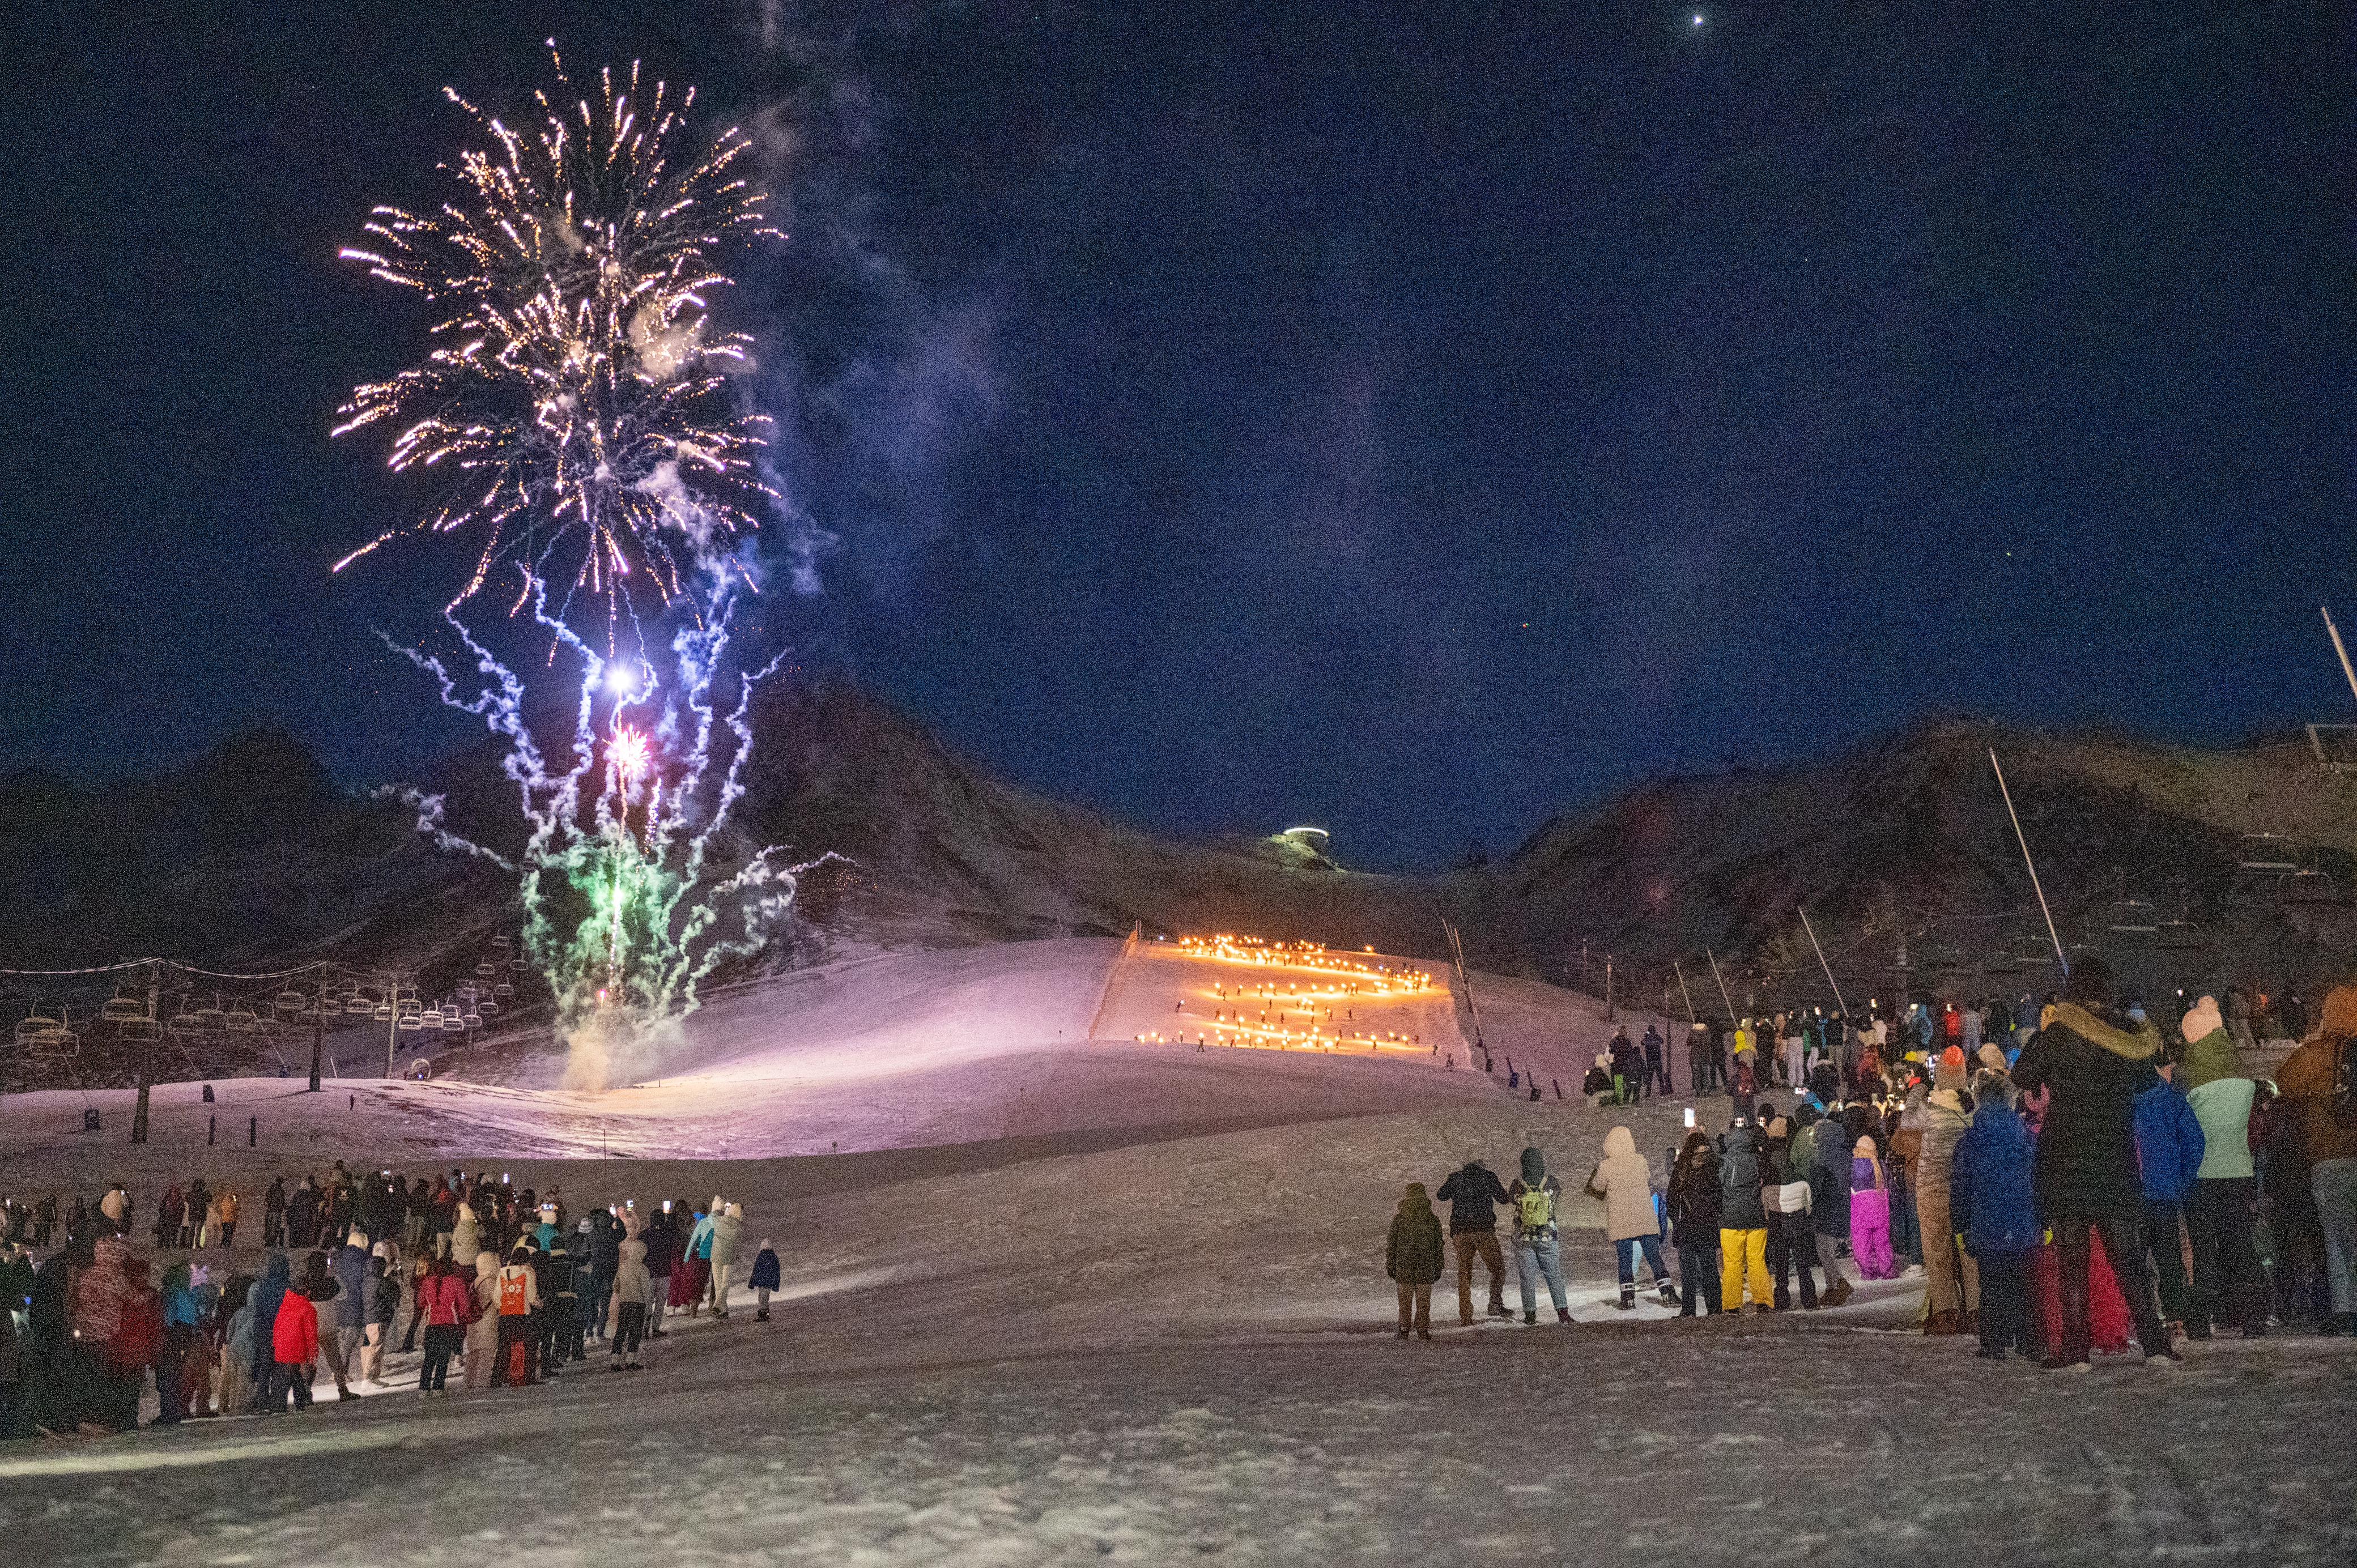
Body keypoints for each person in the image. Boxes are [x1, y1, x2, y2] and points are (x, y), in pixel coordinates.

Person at [2009, 958, 2179, 1368]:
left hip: (2065, 1162)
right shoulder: (2122, 1037)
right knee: (2129, 1261)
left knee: (2072, 1263)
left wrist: (2047, 1034)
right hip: (2115, 1161)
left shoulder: (2060, 1034)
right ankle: (2155, 1345)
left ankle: (2075, 1350)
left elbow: (2021, 1074)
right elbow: (2148, 1080)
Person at [2274, 985, 2357, 1333]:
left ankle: (2345, 1310)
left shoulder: (2313, 1054)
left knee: (2336, 1238)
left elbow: (2282, 1085)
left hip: (2327, 1157)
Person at [2179, 1000, 2264, 1338]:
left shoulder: (2191, 1088)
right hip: (2241, 1171)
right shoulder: (2245, 1085)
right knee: (2242, 1245)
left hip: (2202, 1176)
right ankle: (2252, 1315)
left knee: (2204, 1250)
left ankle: (2200, 1323)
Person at [1951, 1070, 2042, 1360]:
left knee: (1991, 1283)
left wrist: (1960, 1223)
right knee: (2024, 1281)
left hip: (1986, 1221)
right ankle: (2029, 1339)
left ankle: (1994, 1341)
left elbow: (1961, 1185)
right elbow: (2038, 1179)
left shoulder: (1970, 1139)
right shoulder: (2025, 1136)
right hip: (2022, 1219)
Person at [2131, 1040, 2205, 1332]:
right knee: (2170, 1255)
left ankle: (2141, 1318)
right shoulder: (2171, 1098)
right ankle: (2177, 1312)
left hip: (2132, 1190)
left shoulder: (2125, 1098)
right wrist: (2183, 1178)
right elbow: (2195, 1141)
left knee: (2133, 1259)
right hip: (2165, 1189)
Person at [1917, 1047, 1979, 1335]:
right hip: (1966, 1186)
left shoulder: (1929, 1111)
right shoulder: (1971, 1110)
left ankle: (1946, 1310)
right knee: (1969, 1250)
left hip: (1931, 1187)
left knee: (1936, 1249)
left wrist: (1918, 1090)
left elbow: (1906, 1123)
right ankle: (1977, 1308)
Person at [1588, 1126, 1675, 1309]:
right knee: (1654, 1258)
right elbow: (1647, 1178)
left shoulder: (1606, 1166)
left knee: (1625, 1260)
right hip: (1644, 1218)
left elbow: (1595, 1187)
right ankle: (1668, 1294)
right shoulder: (1640, 1161)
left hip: (1621, 1221)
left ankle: (1628, 1299)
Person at [1435, 1158, 1511, 1324]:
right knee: (1498, 1269)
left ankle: (1466, 1315)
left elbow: (1441, 1196)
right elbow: (1504, 1199)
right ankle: (1495, 1305)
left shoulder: (1456, 1178)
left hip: (1460, 1233)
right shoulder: (1488, 1176)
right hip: (1483, 1230)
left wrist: (1454, 1183)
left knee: (1464, 1273)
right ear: (1481, 1167)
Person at [1507, 1147, 1571, 1325]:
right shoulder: (1551, 1182)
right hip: (1547, 1237)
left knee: (1527, 1277)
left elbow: (1511, 1199)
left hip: (1524, 1237)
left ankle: (1530, 1315)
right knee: (1554, 1275)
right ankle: (1563, 1313)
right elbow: (1556, 1198)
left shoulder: (1517, 1183)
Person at [1717, 1119, 1773, 1313]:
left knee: (1733, 1263)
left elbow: (1718, 1185)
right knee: (1757, 1260)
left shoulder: (1724, 1161)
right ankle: (1764, 1301)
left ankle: (1732, 1304)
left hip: (1731, 1218)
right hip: (1756, 1217)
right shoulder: (1757, 1159)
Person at [1666, 1131, 1722, 1315]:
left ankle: (1689, 1310)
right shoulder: (1714, 1166)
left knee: (1688, 1272)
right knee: (1710, 1268)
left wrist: (1677, 1220)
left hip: (1687, 1226)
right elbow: (1719, 1198)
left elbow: (1672, 1200)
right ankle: (1714, 1309)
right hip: (1707, 1224)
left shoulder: (1681, 1168)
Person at [1385, 1183, 1445, 1340]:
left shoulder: (1399, 1219)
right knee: (1424, 1301)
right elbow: (1438, 1245)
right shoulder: (1432, 1220)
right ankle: (1423, 1330)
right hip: (1426, 1265)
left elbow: (1392, 1244)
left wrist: (1391, 1265)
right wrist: (1439, 1266)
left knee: (1405, 1300)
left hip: (1403, 1265)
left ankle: (1404, 1329)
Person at [269, 1262, 320, 1413]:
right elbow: (311, 1333)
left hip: (281, 1345)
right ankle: (282, 1405)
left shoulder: (286, 1302)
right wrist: (313, 1353)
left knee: (292, 1375)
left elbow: (278, 1324)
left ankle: (299, 1401)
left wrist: (276, 1343)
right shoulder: (307, 1309)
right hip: (296, 1347)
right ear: (307, 1291)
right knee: (289, 1377)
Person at [493, 1239, 541, 1387]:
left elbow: (496, 1297)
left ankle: (498, 1378)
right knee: (528, 1346)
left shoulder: (502, 1272)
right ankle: (526, 1376)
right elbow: (532, 1297)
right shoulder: (528, 1272)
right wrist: (541, 1304)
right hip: (523, 1314)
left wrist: (505, 1306)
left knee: (503, 1347)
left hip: (505, 1314)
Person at [1849, 1136, 1898, 1279]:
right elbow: (1891, 1187)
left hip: (1860, 1213)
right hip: (1880, 1211)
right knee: (1882, 1241)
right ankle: (1887, 1270)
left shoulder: (1852, 1166)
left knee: (1862, 1243)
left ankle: (1868, 1272)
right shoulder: (1880, 1165)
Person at [611, 1222, 652, 1370]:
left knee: (621, 1331)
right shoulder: (643, 1269)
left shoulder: (623, 1267)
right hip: (638, 1303)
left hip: (624, 1303)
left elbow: (615, 1285)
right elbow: (646, 1289)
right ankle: (630, 1360)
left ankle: (615, 1361)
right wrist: (649, 1308)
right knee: (635, 1332)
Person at [463, 1251, 501, 1390]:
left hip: (473, 1321)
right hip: (487, 1320)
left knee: (473, 1353)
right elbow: (498, 1301)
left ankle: (468, 1381)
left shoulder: (474, 1282)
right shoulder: (491, 1282)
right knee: (487, 1352)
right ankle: (481, 1381)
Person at [708, 1200, 744, 1319]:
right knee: (725, 1283)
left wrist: (717, 1203)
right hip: (729, 1257)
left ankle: (722, 1310)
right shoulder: (737, 1226)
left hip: (716, 1256)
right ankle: (719, 1307)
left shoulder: (718, 1221)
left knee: (718, 1284)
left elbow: (712, 1216)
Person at [750, 1238, 780, 1322]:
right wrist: (776, 1286)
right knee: (765, 1297)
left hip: (762, 1282)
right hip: (769, 1282)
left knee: (762, 1297)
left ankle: (763, 1313)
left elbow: (755, 1270)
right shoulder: (774, 1257)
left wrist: (752, 1283)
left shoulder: (761, 1257)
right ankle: (765, 1313)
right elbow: (777, 1272)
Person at [1641, 1023, 1669, 1098]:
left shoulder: (1648, 1038)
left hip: (1651, 1060)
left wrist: (1646, 1036)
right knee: (1659, 1078)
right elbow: (1662, 1041)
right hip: (1657, 1060)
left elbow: (1643, 1043)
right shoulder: (1657, 1037)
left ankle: (1648, 1093)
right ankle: (1662, 1092)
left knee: (1650, 1078)